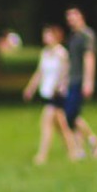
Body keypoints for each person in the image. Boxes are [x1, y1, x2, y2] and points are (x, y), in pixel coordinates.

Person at [21, 25, 77, 165]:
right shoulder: (45, 53)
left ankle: (42, 155)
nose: (45, 37)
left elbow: (65, 72)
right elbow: (40, 72)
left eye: (48, 35)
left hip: (57, 94)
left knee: (46, 123)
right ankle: (73, 151)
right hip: (47, 92)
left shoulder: (61, 53)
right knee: (61, 126)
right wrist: (30, 88)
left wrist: (57, 86)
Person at [62, 8, 97, 159]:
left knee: (70, 115)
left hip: (80, 80)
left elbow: (89, 58)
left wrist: (88, 82)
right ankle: (80, 149)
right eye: (69, 18)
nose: (71, 20)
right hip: (72, 79)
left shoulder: (87, 35)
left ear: (81, 17)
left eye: (73, 17)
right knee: (74, 115)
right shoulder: (73, 36)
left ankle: (94, 141)